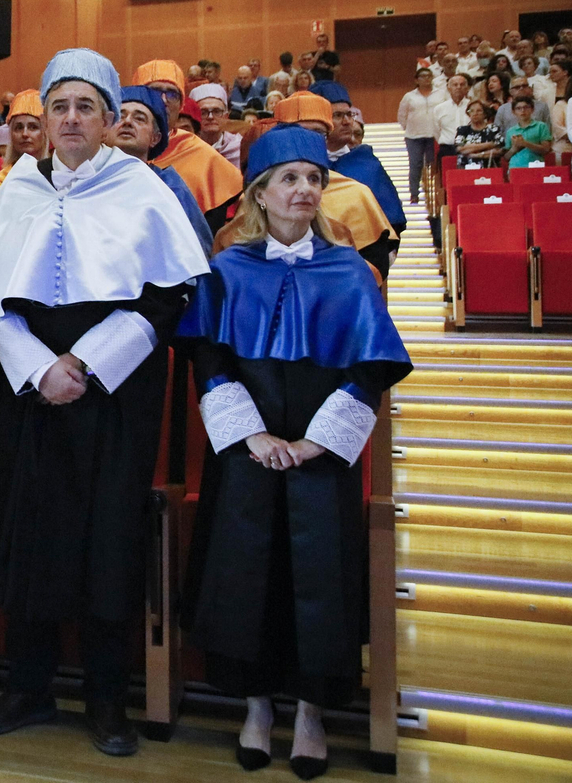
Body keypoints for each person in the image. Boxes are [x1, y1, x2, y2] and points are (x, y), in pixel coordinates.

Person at [0, 50, 208, 755]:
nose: (70, 120)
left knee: (108, 539)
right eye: (58, 107)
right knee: (27, 529)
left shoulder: (143, 187)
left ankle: (106, 696)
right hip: (32, 392)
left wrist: (88, 364)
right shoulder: (19, 190)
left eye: (85, 108)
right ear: (43, 118)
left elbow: (167, 296)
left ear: (109, 120)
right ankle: (28, 684)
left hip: (114, 395)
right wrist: (39, 368)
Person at [179, 125, 411, 780]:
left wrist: (316, 441)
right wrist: (251, 434)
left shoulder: (349, 270)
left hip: (320, 452)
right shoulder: (227, 271)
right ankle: (255, 706)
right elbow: (209, 354)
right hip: (246, 447)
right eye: (290, 179)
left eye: (314, 179)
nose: (305, 190)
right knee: (247, 568)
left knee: (319, 573)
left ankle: (310, 710)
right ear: (260, 193)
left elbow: (370, 367)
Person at [241, 93, 400, 281]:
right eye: (298, 132)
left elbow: (375, 266)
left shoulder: (357, 193)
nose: (307, 142)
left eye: (317, 134)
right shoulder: (259, 194)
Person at [136, 59, 244, 232]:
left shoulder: (199, 152)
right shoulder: (113, 148)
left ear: (180, 105)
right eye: (154, 91)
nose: (164, 100)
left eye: (172, 94)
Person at [111, 85, 214, 255]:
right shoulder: (86, 179)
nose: (127, 121)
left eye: (139, 118)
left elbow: (197, 255)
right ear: (105, 130)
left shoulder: (170, 188)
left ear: (155, 138)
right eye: (120, 116)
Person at [310, 82, 406, 239]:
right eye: (338, 115)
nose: (348, 122)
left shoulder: (367, 164)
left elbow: (391, 221)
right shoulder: (305, 165)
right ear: (320, 121)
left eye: (349, 114)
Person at [0, 89, 45, 194]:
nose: (25, 134)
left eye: (33, 127)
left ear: (45, 131)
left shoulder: (60, 180)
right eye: (18, 127)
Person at [396, 67, 443, 204]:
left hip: (434, 135)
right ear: (417, 80)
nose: (426, 79)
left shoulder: (440, 94)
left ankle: (433, 192)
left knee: (432, 164)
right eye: (422, 76)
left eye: (429, 76)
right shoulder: (409, 96)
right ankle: (414, 193)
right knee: (415, 164)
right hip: (413, 136)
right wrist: (408, 127)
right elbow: (402, 115)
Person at [191, 83, 241, 165]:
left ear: (226, 116)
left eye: (216, 111)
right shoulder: (187, 147)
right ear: (194, 118)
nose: (210, 117)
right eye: (203, 112)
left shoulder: (239, 148)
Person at [501, 95, 553, 170]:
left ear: (532, 109)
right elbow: (506, 157)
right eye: (518, 108)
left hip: (536, 167)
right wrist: (514, 149)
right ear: (513, 112)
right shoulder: (511, 131)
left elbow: (546, 149)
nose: (522, 111)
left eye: (526, 107)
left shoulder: (541, 126)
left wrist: (526, 144)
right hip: (515, 168)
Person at [433, 73, 472, 164]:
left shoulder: (473, 106)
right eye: (455, 85)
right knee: (447, 177)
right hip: (447, 149)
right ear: (448, 88)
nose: (458, 87)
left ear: (467, 88)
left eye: (462, 85)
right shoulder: (439, 109)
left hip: (470, 148)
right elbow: (436, 131)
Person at [453, 100, 503, 169]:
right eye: (471, 111)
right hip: (465, 169)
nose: (475, 113)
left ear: (485, 114)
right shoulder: (462, 130)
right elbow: (460, 148)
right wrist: (489, 145)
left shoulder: (493, 129)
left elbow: (498, 151)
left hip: (488, 169)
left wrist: (477, 155)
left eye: (479, 111)